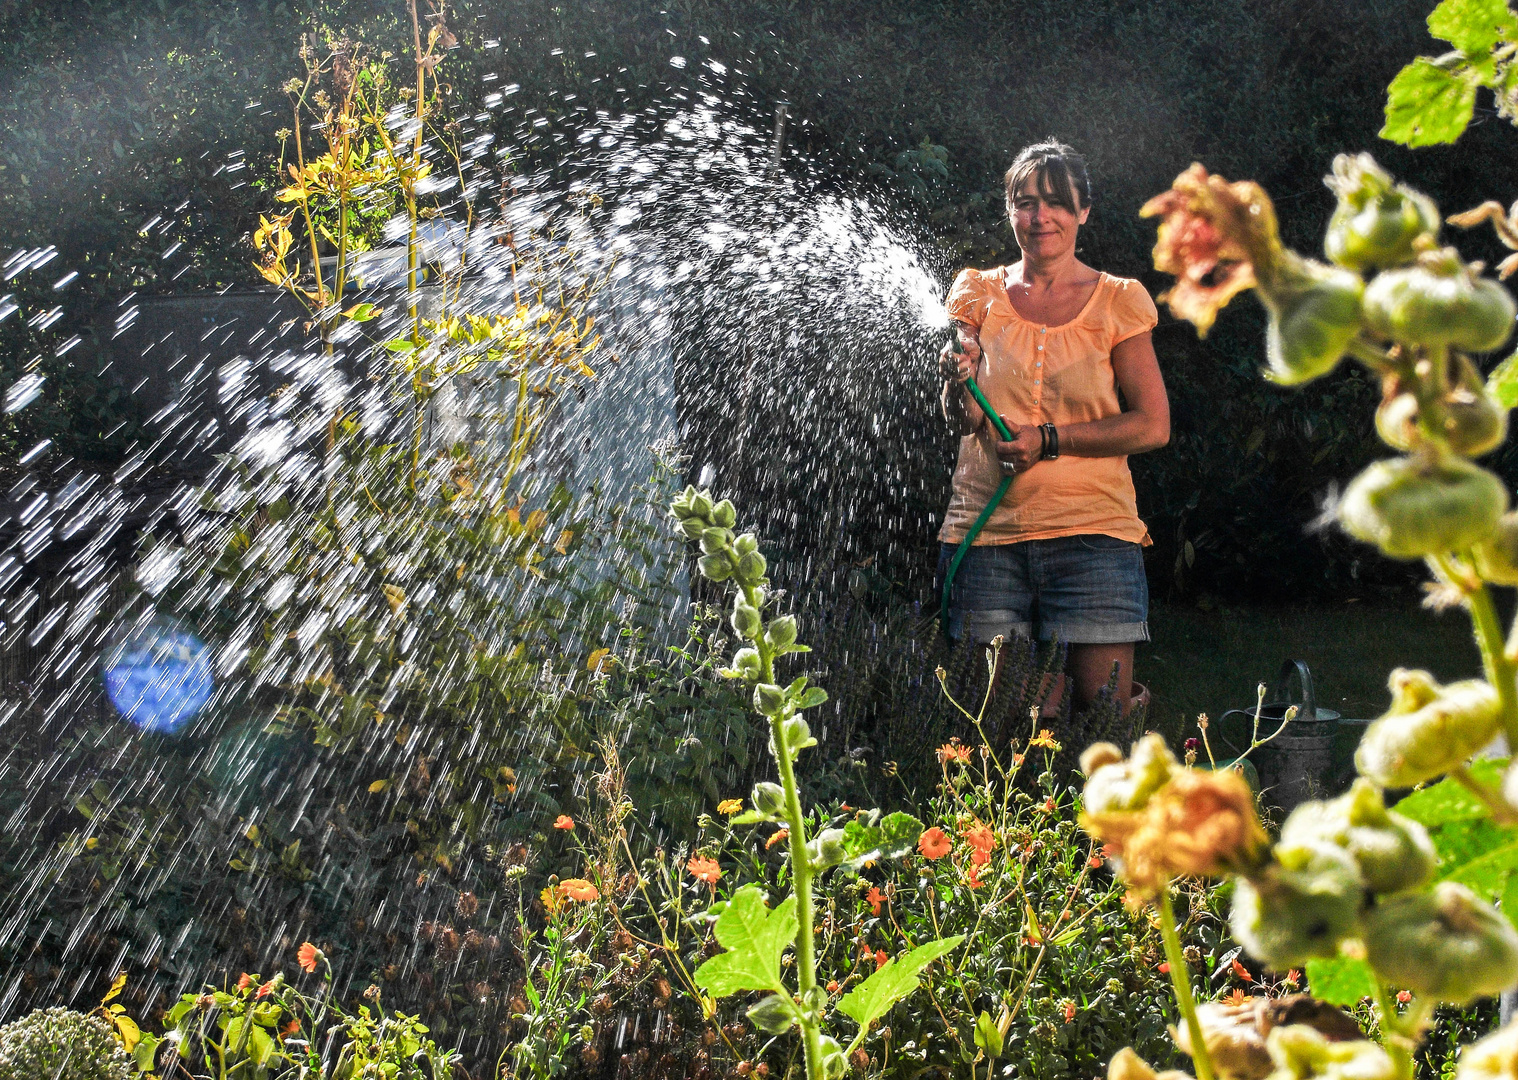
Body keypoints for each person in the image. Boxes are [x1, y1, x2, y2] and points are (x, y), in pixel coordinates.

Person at [936, 139, 1170, 715]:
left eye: (1056, 202)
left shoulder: (1118, 300)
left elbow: (1152, 425)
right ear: (1010, 211)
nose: (1041, 217)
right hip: (987, 537)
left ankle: (1104, 810)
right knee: (1001, 723)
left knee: (1104, 719)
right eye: (1025, 202)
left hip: (1094, 536)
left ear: (1083, 211)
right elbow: (962, 421)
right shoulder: (979, 293)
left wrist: (1050, 441)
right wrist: (957, 378)